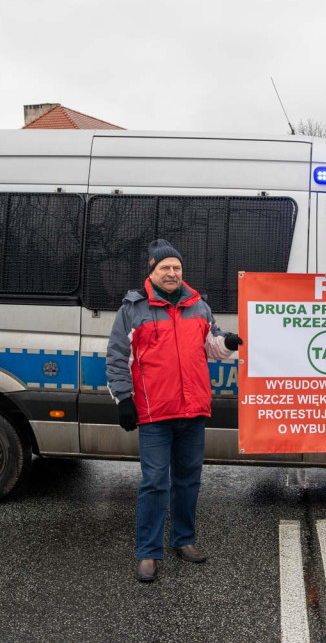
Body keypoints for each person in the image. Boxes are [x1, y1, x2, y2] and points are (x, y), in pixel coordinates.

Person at [106, 239, 243, 583]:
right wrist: (124, 399)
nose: (171, 273)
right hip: (155, 415)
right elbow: (117, 358)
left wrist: (226, 343)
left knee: (188, 481)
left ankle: (183, 539)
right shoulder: (133, 310)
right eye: (164, 268)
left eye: (176, 268)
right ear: (151, 272)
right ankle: (148, 552)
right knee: (154, 483)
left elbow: (211, 345)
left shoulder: (198, 306)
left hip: (193, 411)